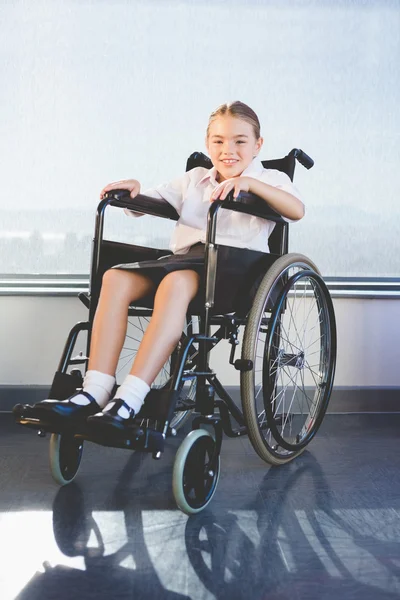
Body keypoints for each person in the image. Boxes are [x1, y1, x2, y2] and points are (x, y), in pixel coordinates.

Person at [34, 101, 305, 435]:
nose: (228, 150)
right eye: (218, 141)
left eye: (239, 141)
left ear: (257, 145)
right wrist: (133, 191)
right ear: (208, 144)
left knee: (176, 282)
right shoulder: (195, 179)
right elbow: (151, 199)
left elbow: (296, 210)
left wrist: (251, 186)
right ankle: (95, 390)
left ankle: (130, 398)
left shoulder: (269, 178)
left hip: (236, 271)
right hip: (187, 260)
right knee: (115, 277)